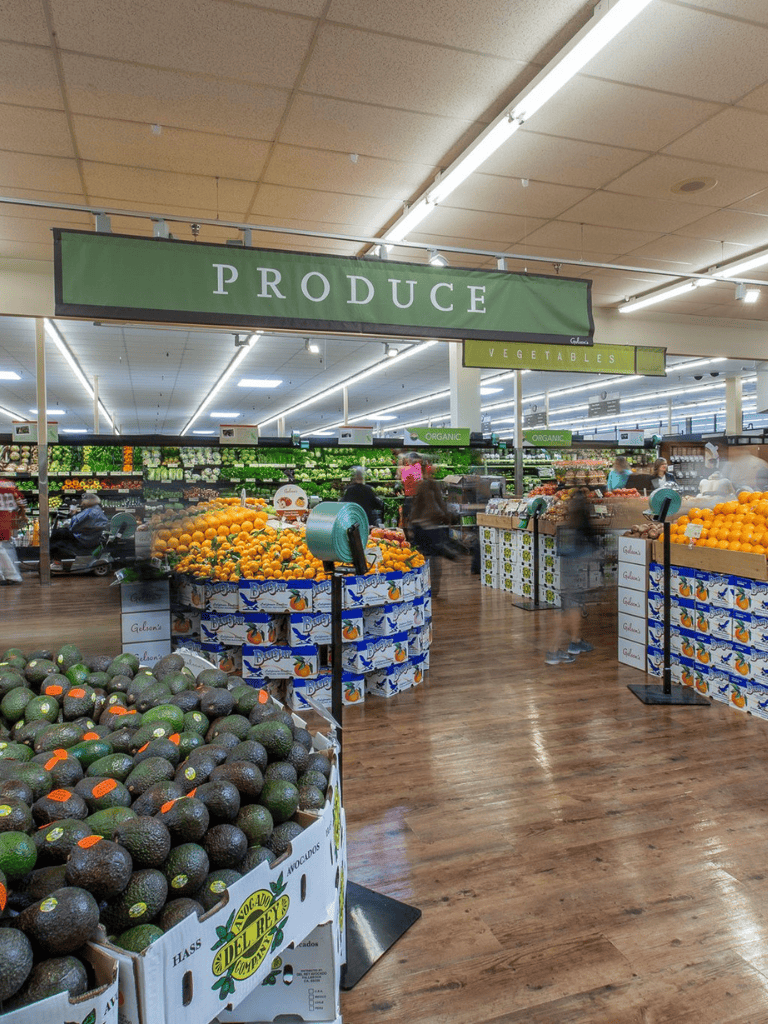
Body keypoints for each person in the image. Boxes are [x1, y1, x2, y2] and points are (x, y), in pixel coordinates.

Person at [546, 484, 597, 665]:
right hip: (578, 573)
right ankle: (553, 650)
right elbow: (593, 547)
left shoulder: (567, 525)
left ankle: (575, 642)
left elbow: (563, 550)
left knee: (571, 608)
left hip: (568, 573)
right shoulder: (584, 524)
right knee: (569, 612)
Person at [409, 473, 453, 597]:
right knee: (434, 559)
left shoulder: (422, 486)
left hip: (421, 526)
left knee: (423, 557)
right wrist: (446, 518)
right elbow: (440, 504)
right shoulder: (433, 486)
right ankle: (433, 587)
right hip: (432, 527)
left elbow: (416, 507)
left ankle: (422, 585)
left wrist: (411, 524)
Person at [49, 491, 110, 562]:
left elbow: (73, 528)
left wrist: (73, 514)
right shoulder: (97, 510)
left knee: (57, 533)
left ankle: (54, 558)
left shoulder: (89, 511)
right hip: (93, 539)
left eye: (83, 500)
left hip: (83, 540)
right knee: (61, 532)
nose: (81, 502)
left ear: (88, 501)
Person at [0, 478, 26, 584]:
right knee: (6, 547)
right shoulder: (8, 483)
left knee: (2, 548)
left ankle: (12, 575)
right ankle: (11, 574)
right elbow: (20, 501)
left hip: (3, 519)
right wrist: (22, 514)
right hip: (7, 518)